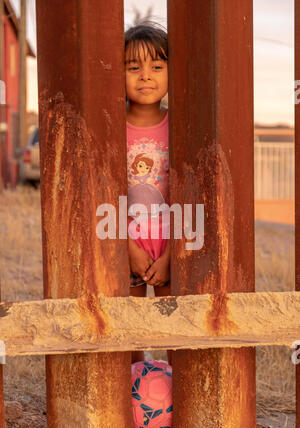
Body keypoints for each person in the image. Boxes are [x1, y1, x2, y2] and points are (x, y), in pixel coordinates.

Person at [125, 23, 172, 365]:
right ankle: (132, 405)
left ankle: (177, 407)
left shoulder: (181, 124)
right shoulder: (111, 126)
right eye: (133, 67)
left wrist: (172, 254)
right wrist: (126, 249)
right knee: (129, 333)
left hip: (172, 244)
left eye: (156, 66)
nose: (145, 76)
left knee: (178, 332)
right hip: (123, 243)